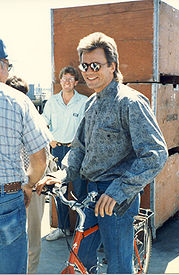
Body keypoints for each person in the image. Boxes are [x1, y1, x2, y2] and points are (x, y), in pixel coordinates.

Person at [37, 32, 168, 273]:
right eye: (84, 65)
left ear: (112, 66)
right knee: (82, 261)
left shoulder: (130, 102)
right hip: (90, 193)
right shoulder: (91, 103)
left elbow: (155, 154)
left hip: (116, 198)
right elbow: (79, 148)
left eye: (95, 65)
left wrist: (119, 190)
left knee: (118, 267)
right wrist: (61, 175)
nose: (88, 71)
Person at [0, 39, 52, 274]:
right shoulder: (17, 101)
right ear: (3, 65)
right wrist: (29, 185)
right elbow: (40, 159)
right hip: (8, 197)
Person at [6, 75, 56, 274]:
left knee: (32, 236)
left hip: (33, 187)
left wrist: (32, 183)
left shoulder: (34, 119)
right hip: (11, 188)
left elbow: (44, 155)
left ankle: (30, 271)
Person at [42, 66, 88, 241]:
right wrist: (49, 139)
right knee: (58, 190)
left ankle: (80, 232)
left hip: (76, 151)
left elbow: (87, 128)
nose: (67, 82)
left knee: (79, 191)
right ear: (60, 81)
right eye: (64, 78)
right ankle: (62, 228)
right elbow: (42, 123)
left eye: (71, 79)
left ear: (76, 82)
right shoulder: (52, 102)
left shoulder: (83, 101)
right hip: (58, 150)